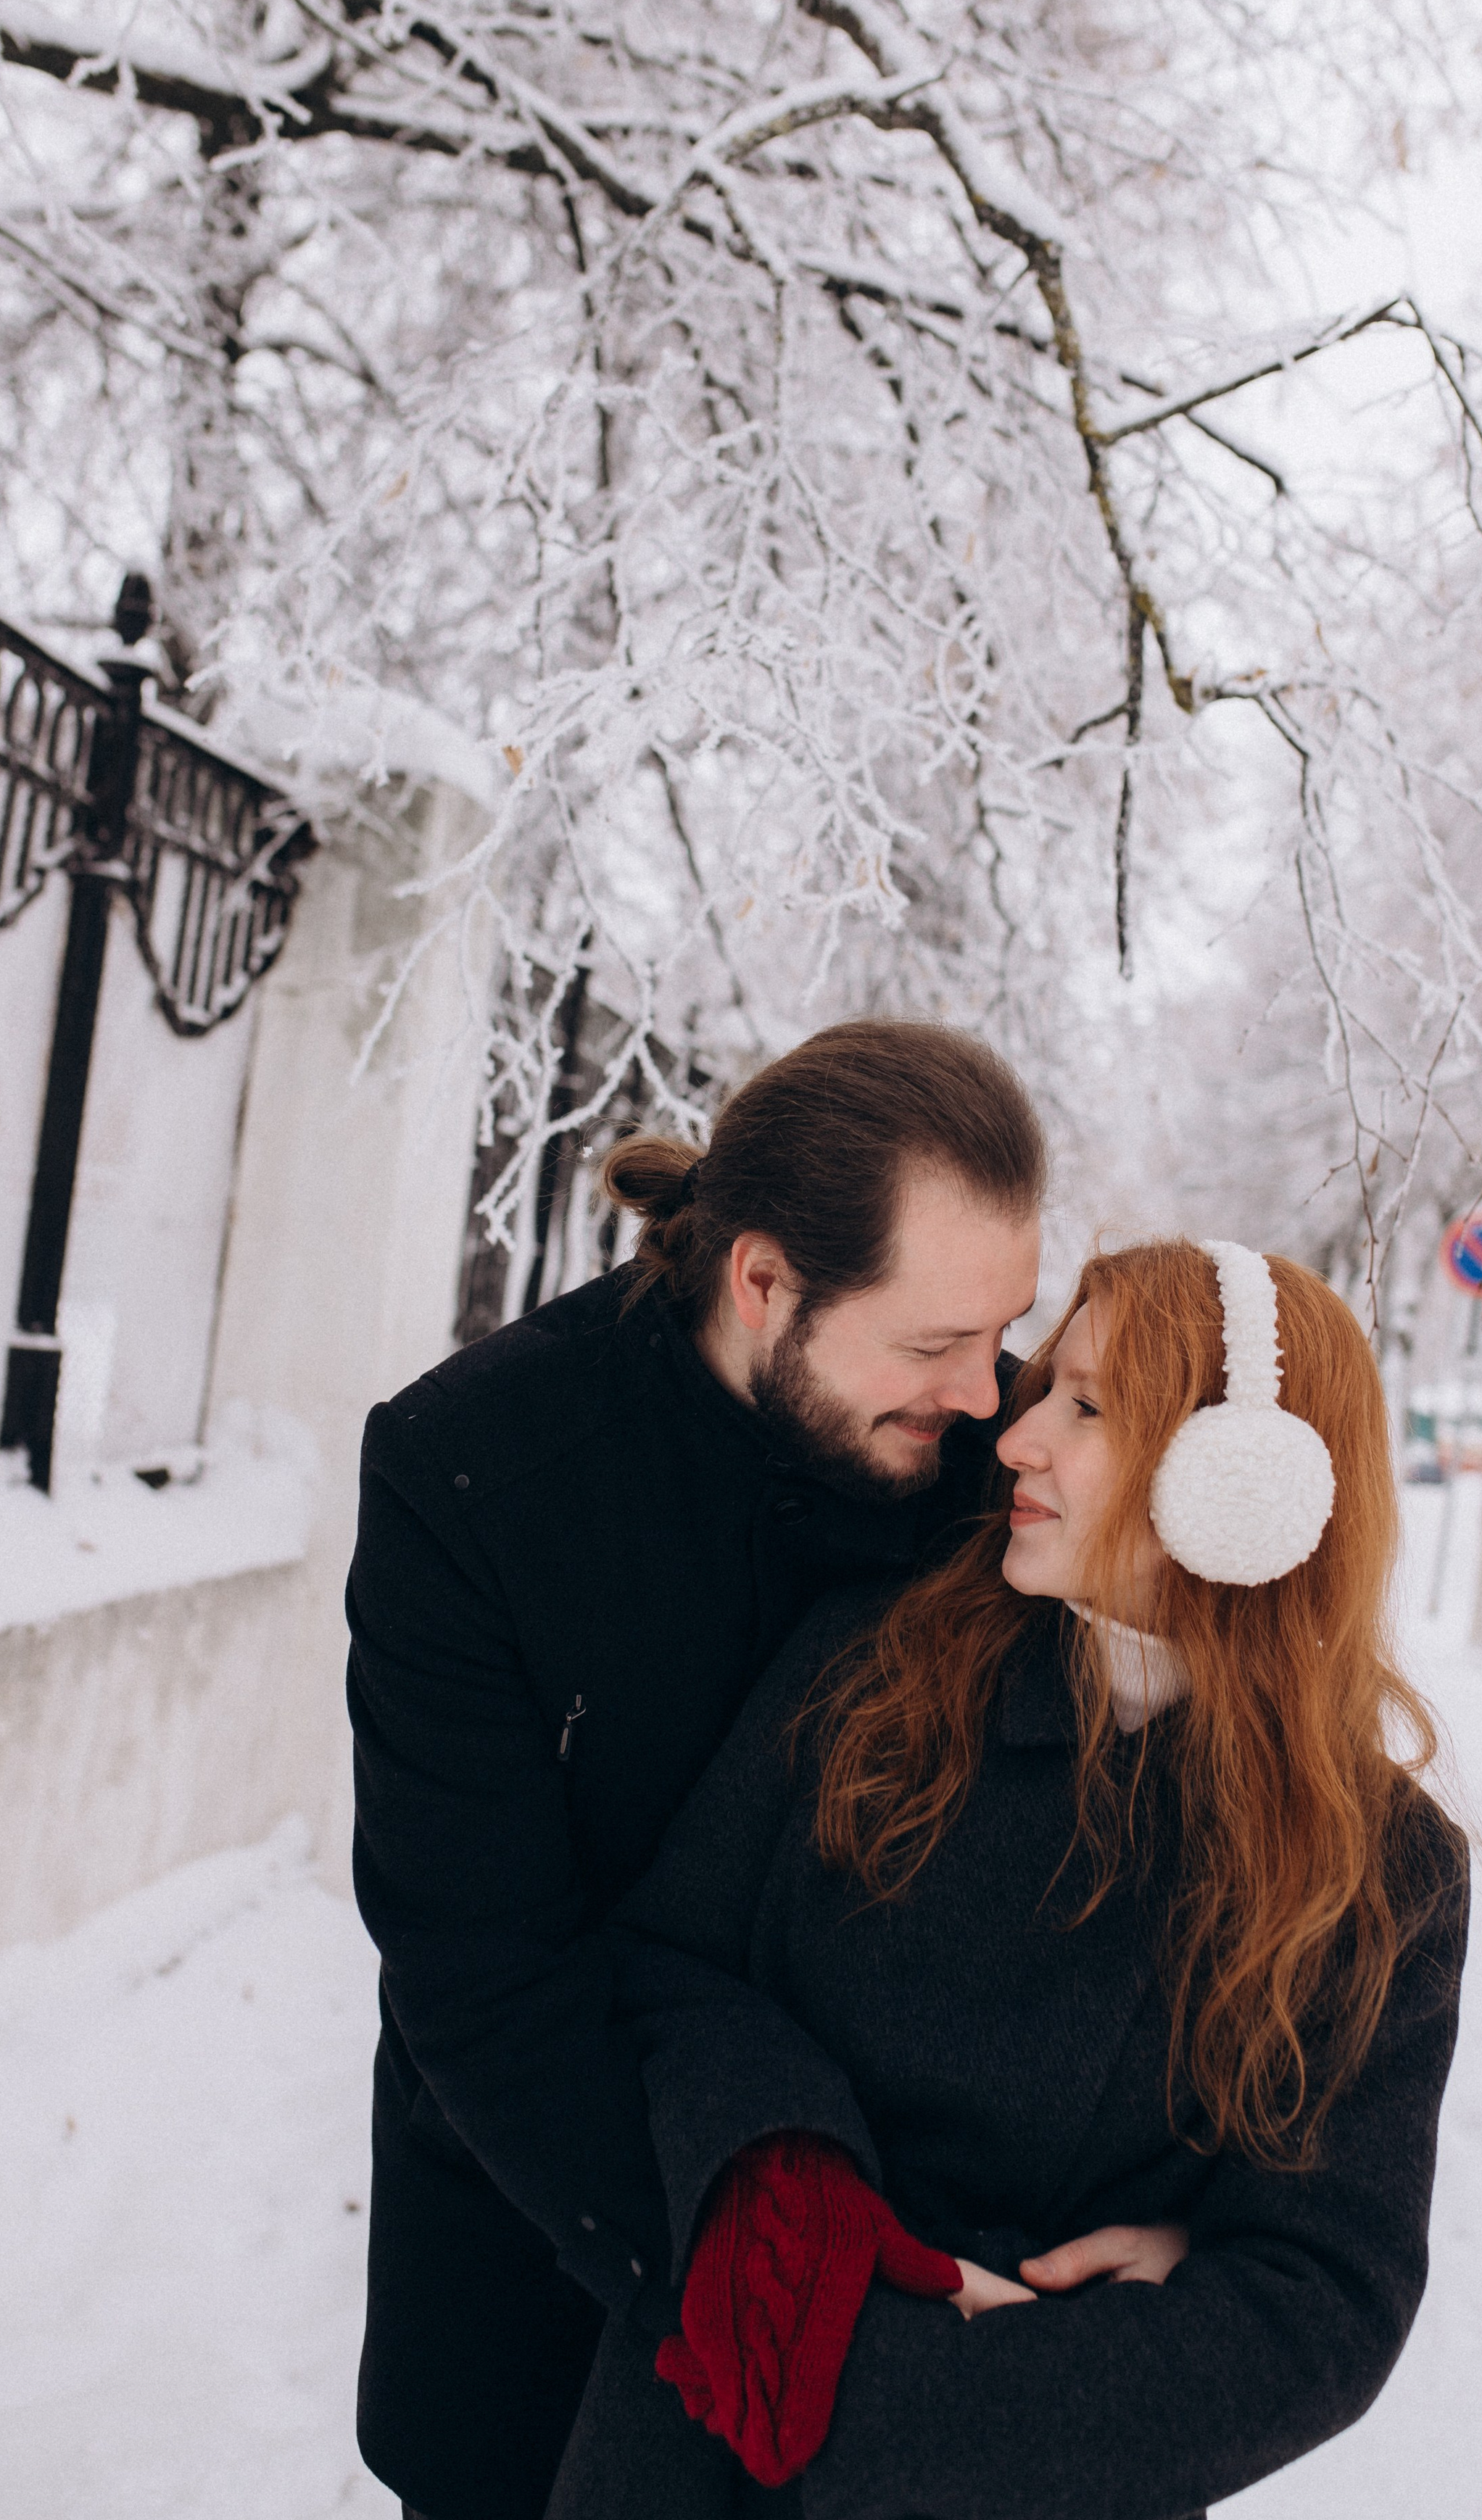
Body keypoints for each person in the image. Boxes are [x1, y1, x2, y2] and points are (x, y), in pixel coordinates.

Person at [545, 1238, 1472, 2520]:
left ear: (1238, 1482)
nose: (1018, 1439)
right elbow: (667, 1960)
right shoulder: (876, 1671)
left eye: (1084, 1407)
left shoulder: (1376, 1867)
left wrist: (902, 2393)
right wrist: (785, 2197)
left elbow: (1324, 2297)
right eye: (1046, 1392)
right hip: (715, 2430)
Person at [344, 1020, 1052, 2520]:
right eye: (935, 1345)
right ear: (761, 1281)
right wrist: (766, 2281)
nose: (988, 1395)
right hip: (548, 2247)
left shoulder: (994, 1458)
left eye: (1001, 1334)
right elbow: (478, 1968)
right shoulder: (470, 1477)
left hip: (902, 2277)